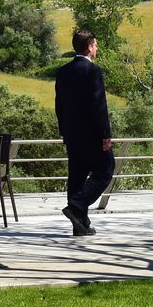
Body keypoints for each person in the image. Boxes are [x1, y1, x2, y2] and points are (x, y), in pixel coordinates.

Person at [54, 29, 114, 236]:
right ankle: (77, 205)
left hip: (72, 135)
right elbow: (99, 106)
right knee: (106, 169)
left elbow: (59, 105)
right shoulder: (93, 71)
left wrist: (64, 131)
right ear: (89, 47)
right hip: (92, 135)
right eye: (95, 45)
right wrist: (105, 134)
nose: (96, 48)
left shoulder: (63, 72)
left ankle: (80, 225)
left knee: (77, 177)